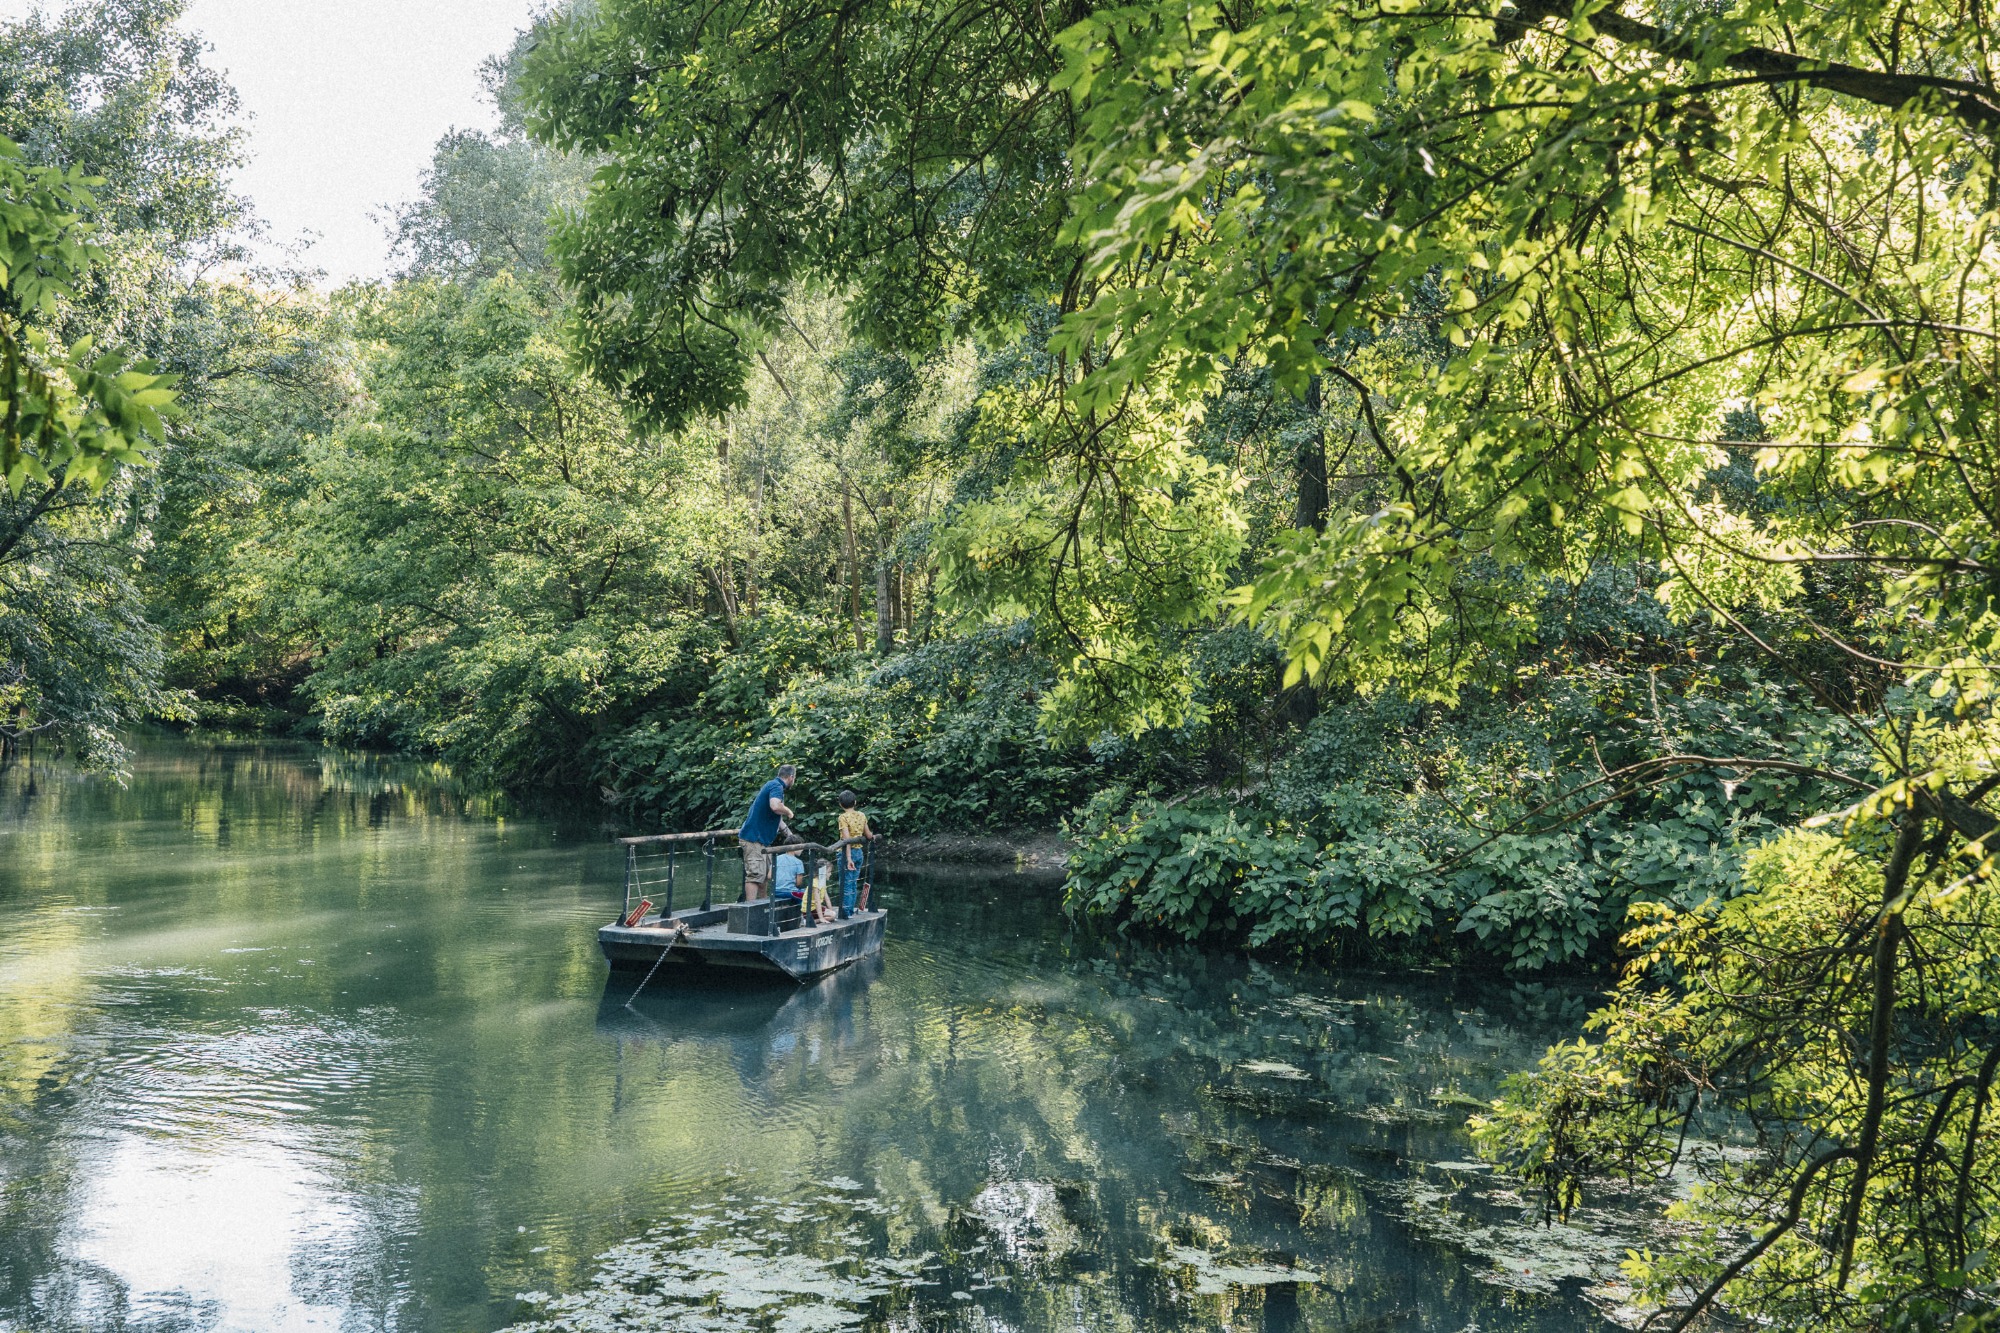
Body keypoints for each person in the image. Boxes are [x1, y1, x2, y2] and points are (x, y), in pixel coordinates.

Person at [737, 764, 796, 901]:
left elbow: (778, 820)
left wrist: (791, 835)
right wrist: (789, 811)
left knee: (764, 875)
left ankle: (763, 904)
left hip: (762, 840)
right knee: (755, 875)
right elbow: (775, 806)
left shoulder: (774, 786)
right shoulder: (776, 786)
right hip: (753, 838)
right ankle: (750, 908)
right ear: (791, 777)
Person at [836, 789, 875, 915]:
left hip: (847, 853)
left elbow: (847, 839)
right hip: (858, 852)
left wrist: (848, 858)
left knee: (846, 884)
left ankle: (846, 912)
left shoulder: (843, 817)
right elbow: (868, 835)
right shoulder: (861, 815)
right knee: (852, 882)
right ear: (855, 802)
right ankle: (850, 910)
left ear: (840, 804)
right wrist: (873, 836)